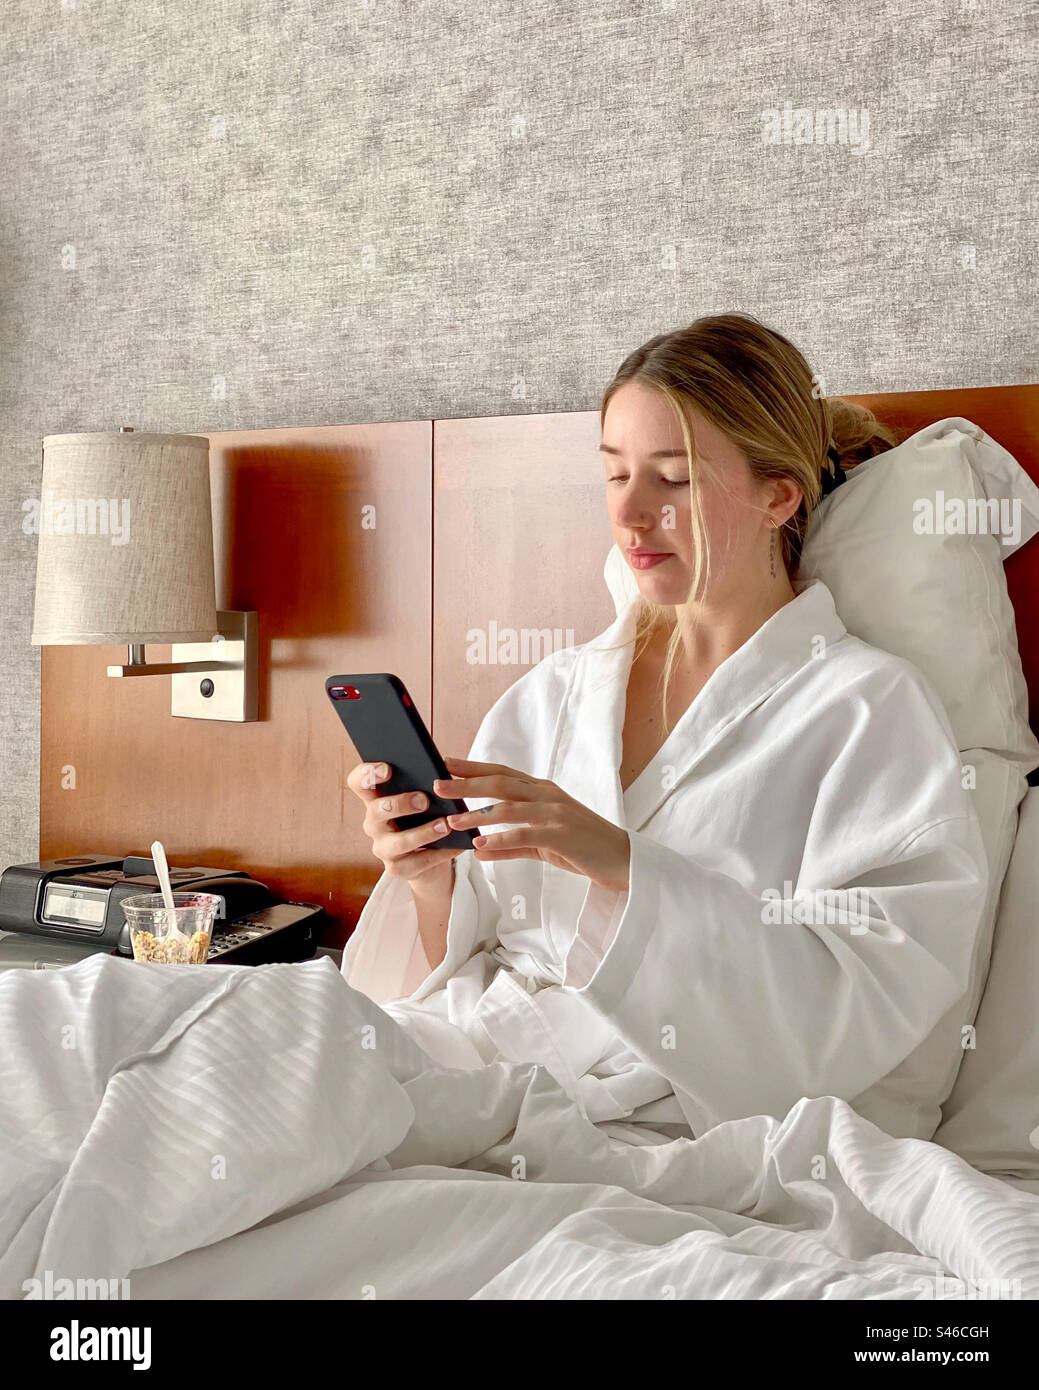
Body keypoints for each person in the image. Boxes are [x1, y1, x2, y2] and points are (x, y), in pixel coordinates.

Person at [340, 312, 989, 1145]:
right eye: (614, 476)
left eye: (672, 480)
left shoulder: (865, 712)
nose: (632, 516)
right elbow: (460, 959)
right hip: (461, 1057)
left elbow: (862, 1014)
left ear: (777, 495)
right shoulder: (555, 693)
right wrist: (429, 879)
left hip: (663, 1129)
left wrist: (621, 864)